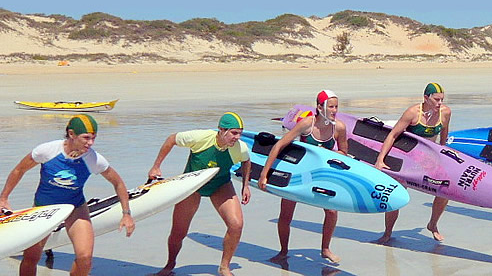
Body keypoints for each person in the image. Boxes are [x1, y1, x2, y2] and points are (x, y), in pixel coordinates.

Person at [0, 114, 135, 276]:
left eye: (94, 138)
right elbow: (19, 169)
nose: (90, 143)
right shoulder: (47, 150)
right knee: (31, 257)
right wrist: (4, 198)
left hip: (75, 208)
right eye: (86, 138)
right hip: (44, 208)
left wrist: (126, 214)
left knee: (85, 258)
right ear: (71, 134)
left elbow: (118, 183)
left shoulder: (94, 159)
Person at [149, 112, 251, 276]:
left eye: (240, 133)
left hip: (220, 184)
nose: (237, 137)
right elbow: (171, 139)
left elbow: (246, 161)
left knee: (236, 225)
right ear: (221, 130)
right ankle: (169, 265)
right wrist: (156, 166)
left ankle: (224, 267)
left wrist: (246, 186)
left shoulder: (240, 148)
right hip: (191, 186)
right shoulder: (200, 137)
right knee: (178, 232)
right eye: (234, 133)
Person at [258, 90, 348, 263]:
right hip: (299, 173)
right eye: (331, 106)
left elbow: (344, 152)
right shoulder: (307, 124)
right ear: (320, 107)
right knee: (286, 214)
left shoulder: (339, 127)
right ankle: (283, 251)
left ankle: (325, 249)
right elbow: (279, 145)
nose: (334, 110)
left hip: (322, 175)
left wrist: (329, 153)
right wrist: (264, 174)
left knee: (332, 211)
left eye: (336, 106)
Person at [375, 83, 452, 243]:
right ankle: (387, 232)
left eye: (442, 100)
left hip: (429, 160)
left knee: (445, 190)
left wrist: (444, 156)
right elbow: (393, 135)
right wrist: (380, 159)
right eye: (436, 99)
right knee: (395, 195)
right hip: (407, 159)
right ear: (426, 98)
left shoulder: (445, 112)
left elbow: (444, 135)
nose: (439, 103)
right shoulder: (412, 113)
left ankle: (433, 224)